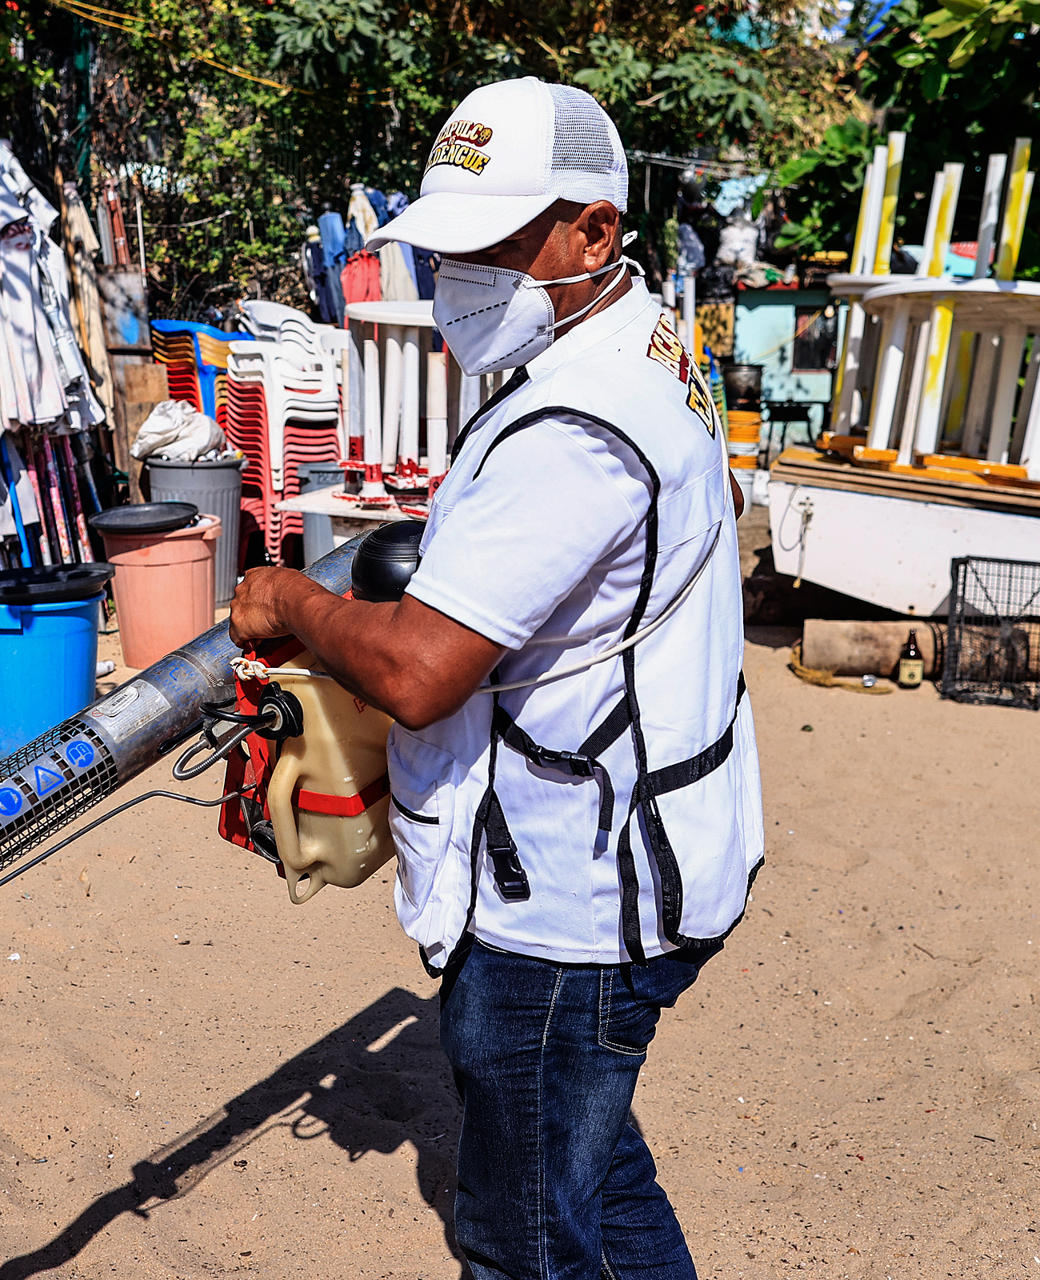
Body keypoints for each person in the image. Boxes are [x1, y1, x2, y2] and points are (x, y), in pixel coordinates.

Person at [229, 78, 764, 1280]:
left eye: (493, 245)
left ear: (594, 231)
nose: (458, 279)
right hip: (639, 846)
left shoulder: (580, 415)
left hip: (568, 898)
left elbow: (419, 675)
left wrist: (293, 604)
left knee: (518, 1239)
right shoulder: (645, 335)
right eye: (447, 248)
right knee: (593, 1171)